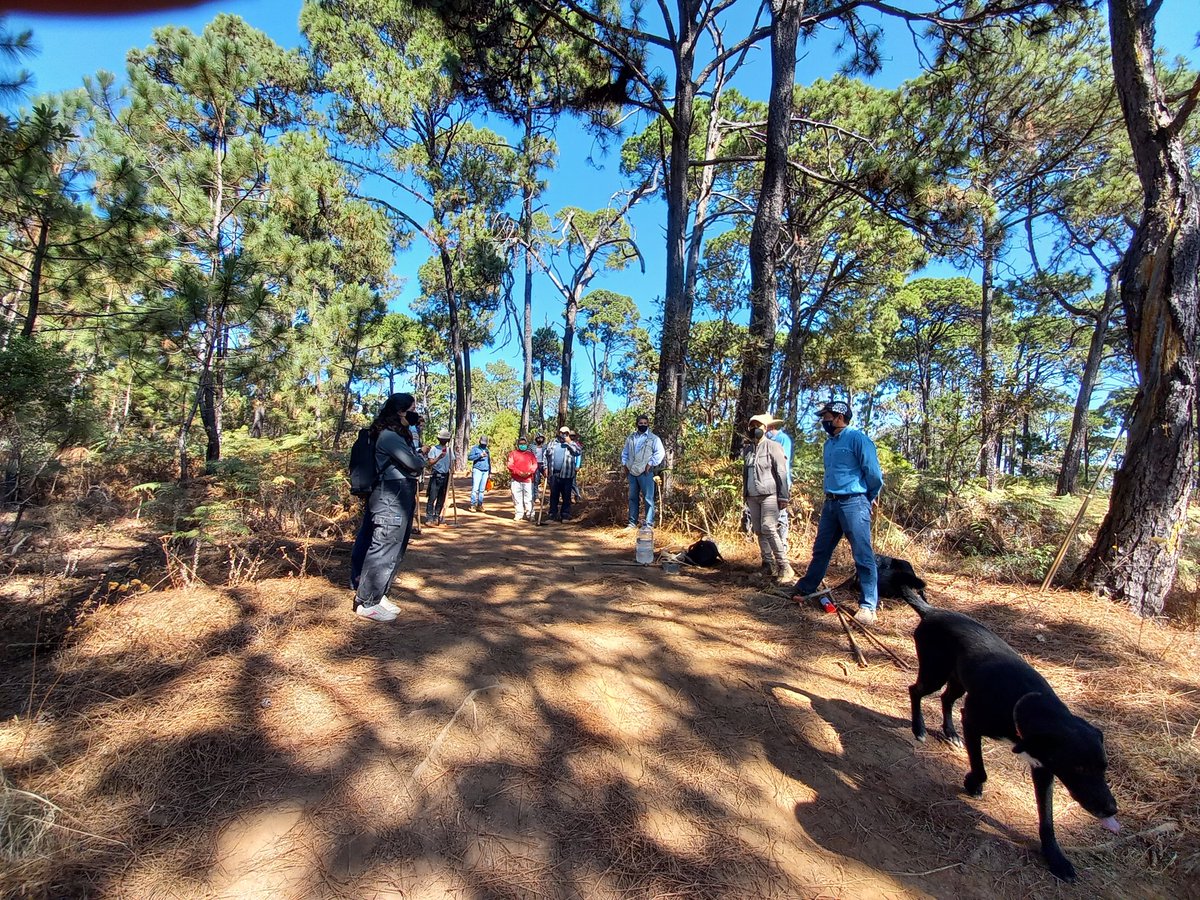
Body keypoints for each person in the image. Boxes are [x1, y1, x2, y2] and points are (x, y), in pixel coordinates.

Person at [791, 400, 884, 625]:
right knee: (821, 549)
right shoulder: (829, 444)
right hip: (831, 503)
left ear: (839, 417)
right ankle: (806, 588)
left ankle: (868, 606)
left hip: (854, 502)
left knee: (862, 555)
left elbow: (873, 475)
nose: (824, 421)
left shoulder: (858, 439)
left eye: (826, 416)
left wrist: (866, 499)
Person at [353, 393, 427, 622]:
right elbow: (414, 463)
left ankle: (379, 593)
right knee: (383, 546)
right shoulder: (389, 436)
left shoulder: (397, 434)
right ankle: (366, 602)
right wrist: (420, 459)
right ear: (400, 412)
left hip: (400, 493)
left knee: (395, 547)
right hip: (389, 496)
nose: (416, 414)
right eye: (412, 409)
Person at [743, 413, 795, 583]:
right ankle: (767, 564)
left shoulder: (773, 446)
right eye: (752, 426)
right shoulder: (748, 449)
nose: (754, 429)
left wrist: (784, 495)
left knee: (769, 527)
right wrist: (745, 493)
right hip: (752, 495)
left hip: (770, 494)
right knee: (758, 529)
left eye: (758, 426)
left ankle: (784, 566)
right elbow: (746, 473)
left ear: (765, 428)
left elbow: (781, 472)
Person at [621, 413, 666, 529]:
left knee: (648, 498)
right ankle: (632, 523)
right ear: (637, 424)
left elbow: (660, 453)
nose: (643, 425)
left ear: (648, 424)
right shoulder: (630, 438)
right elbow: (625, 453)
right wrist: (624, 464)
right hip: (632, 472)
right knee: (632, 498)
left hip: (646, 472)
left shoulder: (654, 438)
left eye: (645, 423)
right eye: (641, 423)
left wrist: (651, 463)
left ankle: (649, 523)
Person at [766, 417, 793, 548]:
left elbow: (783, 462)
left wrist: (784, 487)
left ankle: (783, 545)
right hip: (769, 483)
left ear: (770, 428)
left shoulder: (783, 439)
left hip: (781, 482)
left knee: (781, 515)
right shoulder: (767, 441)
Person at [545, 425, 582, 521]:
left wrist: (569, 442)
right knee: (554, 496)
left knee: (566, 496)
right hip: (554, 474)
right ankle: (552, 515)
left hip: (567, 474)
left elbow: (578, 452)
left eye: (566, 433)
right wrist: (545, 468)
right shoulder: (552, 443)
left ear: (569, 434)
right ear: (559, 433)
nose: (564, 435)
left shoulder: (573, 443)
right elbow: (546, 456)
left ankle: (565, 515)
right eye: (562, 432)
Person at [506, 436, 539, 521]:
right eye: (521, 444)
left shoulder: (530, 454)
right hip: (516, 480)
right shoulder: (513, 454)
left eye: (524, 444)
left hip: (528, 480)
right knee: (516, 498)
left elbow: (534, 465)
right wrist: (519, 472)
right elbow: (510, 465)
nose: (522, 445)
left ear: (526, 444)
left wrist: (529, 472)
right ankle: (519, 514)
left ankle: (530, 514)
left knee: (529, 498)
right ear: (518, 444)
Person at [424, 429, 453, 525]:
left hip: (446, 476)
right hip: (436, 476)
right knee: (432, 497)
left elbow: (452, 462)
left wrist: (452, 470)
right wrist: (439, 457)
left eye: (445, 439)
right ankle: (429, 518)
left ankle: (437, 516)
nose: (444, 441)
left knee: (441, 498)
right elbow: (429, 463)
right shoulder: (434, 449)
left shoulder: (449, 450)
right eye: (442, 439)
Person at [467, 435, 491, 512]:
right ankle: (473, 504)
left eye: (485, 443)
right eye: (483, 442)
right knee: (475, 488)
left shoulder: (487, 450)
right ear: (479, 441)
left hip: (485, 470)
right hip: (477, 470)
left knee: (482, 489)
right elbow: (470, 457)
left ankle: (479, 504)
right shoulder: (475, 448)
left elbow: (489, 461)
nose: (484, 444)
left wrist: (490, 472)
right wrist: (479, 455)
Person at [531, 433, 548, 504]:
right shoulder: (532, 446)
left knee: (549, 479)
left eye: (541, 438)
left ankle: (550, 497)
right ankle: (536, 497)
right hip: (535, 464)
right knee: (536, 480)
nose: (539, 439)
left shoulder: (546, 446)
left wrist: (547, 467)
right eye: (538, 438)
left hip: (544, 464)